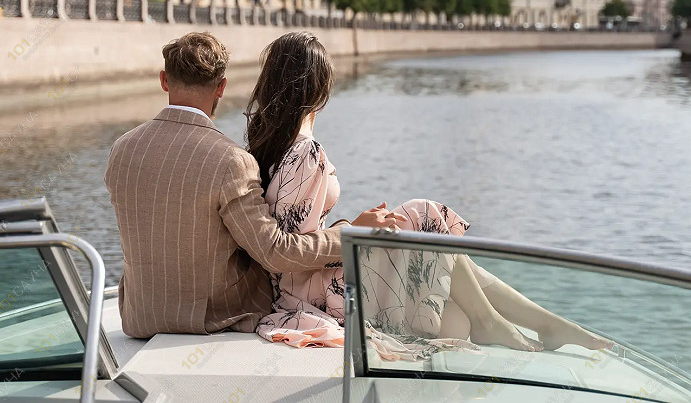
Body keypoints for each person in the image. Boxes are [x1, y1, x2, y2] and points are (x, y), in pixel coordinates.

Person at [247, 31, 612, 357]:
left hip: (303, 286)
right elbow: (295, 250)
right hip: (315, 295)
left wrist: (353, 226)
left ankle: (536, 323)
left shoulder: (274, 147)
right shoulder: (306, 152)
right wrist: (354, 229)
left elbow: (292, 236)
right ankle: (519, 323)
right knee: (422, 214)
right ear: (317, 88)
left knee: (455, 315)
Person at [105, 31, 405, 338]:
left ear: (164, 80)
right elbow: (274, 252)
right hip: (215, 317)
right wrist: (348, 234)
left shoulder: (122, 149)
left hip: (140, 317)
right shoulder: (229, 160)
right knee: (416, 221)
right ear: (221, 87)